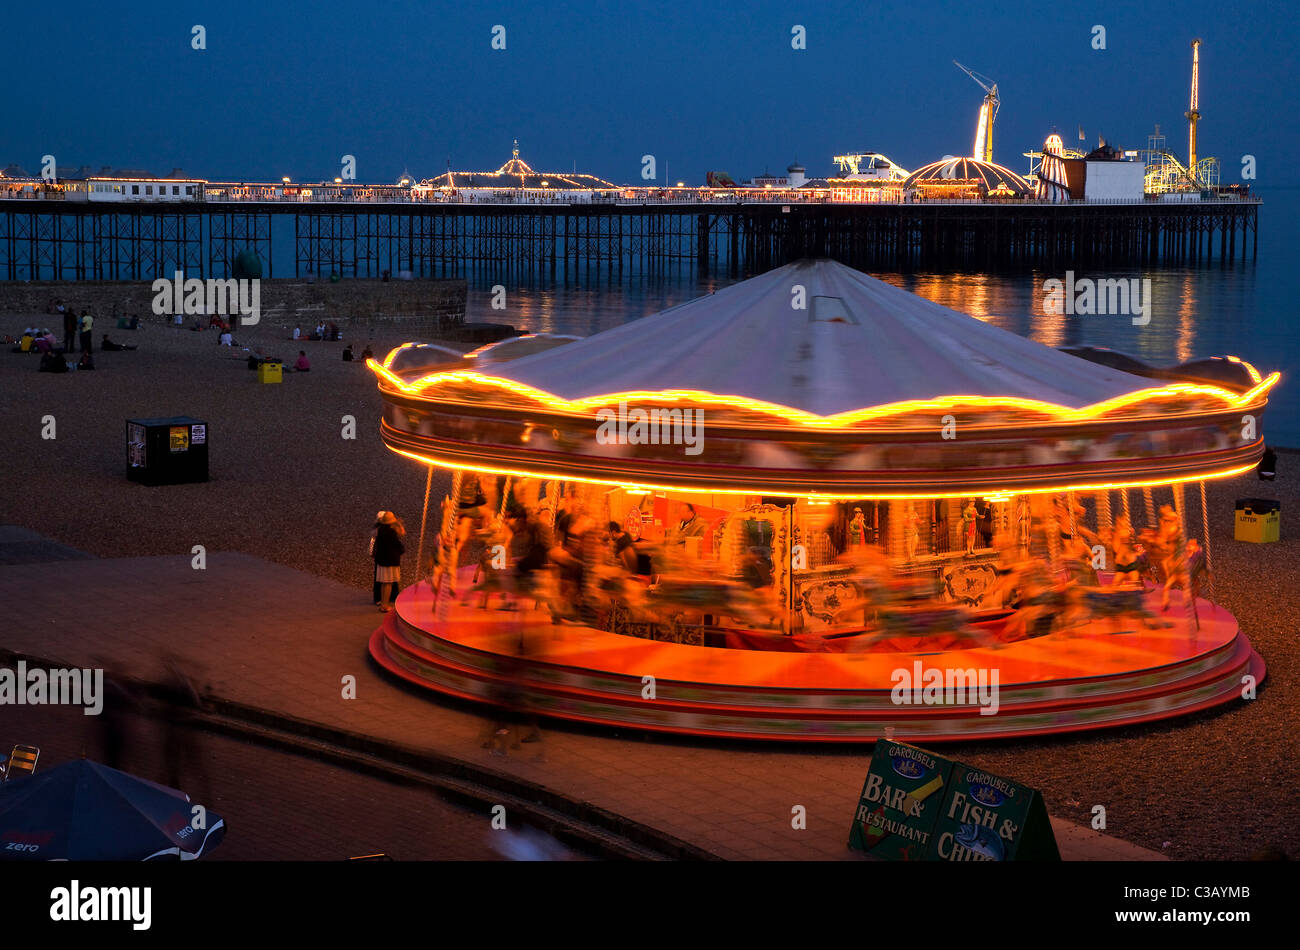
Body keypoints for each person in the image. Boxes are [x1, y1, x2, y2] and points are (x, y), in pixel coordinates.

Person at [372, 511, 406, 612]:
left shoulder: (380, 530)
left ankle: (383, 602)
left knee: (383, 583)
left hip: (381, 560)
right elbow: (397, 545)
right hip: (390, 561)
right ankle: (385, 606)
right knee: (388, 583)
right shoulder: (391, 532)